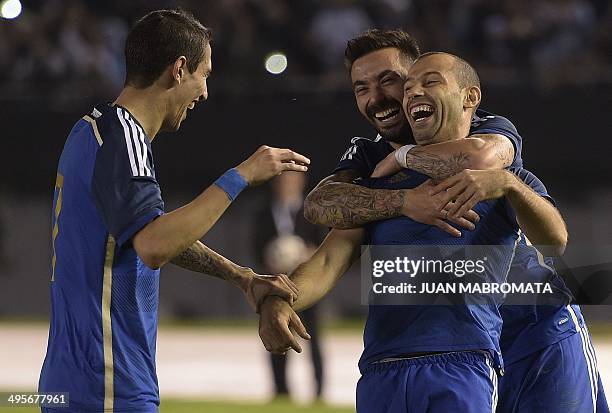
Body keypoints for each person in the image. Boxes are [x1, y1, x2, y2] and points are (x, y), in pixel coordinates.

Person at [260, 30, 607, 412]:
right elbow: (321, 208)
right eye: (361, 88)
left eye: (390, 80)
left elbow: (487, 164)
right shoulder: (368, 164)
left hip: (536, 332)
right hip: (451, 348)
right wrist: (405, 200)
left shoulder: (487, 129)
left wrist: (404, 156)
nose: (377, 97)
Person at [38, 9, 311, 413]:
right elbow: (154, 245)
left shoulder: (92, 131)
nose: (204, 92)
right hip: (109, 383)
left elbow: (147, 234)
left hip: (72, 380)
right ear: (179, 69)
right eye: (205, 74)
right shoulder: (123, 140)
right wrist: (240, 176)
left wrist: (241, 278)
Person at [253, 172, 324, 401]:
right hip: (275, 287)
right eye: (284, 181)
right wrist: (269, 261)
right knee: (276, 335)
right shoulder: (264, 213)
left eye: (292, 181)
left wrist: (308, 255)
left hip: (306, 286)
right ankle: (281, 391)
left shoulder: (312, 212)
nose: (288, 185)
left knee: (312, 337)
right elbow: (255, 246)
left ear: (301, 183)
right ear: (276, 183)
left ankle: (319, 391)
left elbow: (326, 247)